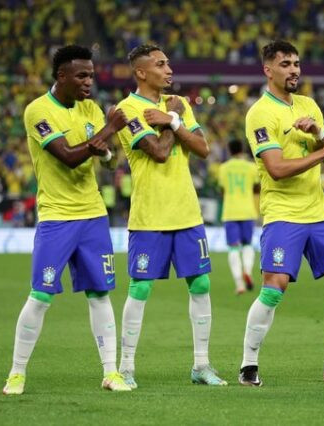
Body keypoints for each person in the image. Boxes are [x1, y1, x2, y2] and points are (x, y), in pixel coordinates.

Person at [3, 45, 130, 395]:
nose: (89, 81)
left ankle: (110, 372)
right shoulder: (38, 111)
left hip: (93, 216)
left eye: (91, 74)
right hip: (57, 217)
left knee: (99, 294)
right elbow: (68, 157)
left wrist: (106, 148)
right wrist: (109, 130)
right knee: (41, 295)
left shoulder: (89, 108)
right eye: (81, 75)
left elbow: (104, 159)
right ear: (62, 76)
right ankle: (17, 373)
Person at [239, 40, 324, 387]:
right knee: (274, 288)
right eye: (285, 64)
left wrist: (321, 135)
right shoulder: (261, 113)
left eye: (296, 63)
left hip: (318, 210)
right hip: (283, 212)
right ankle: (248, 365)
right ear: (268, 70)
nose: (294, 69)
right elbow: (276, 169)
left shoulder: (308, 105)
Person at [115, 44, 226, 388]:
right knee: (141, 287)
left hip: (186, 212)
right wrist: (172, 124)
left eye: (168, 63)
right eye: (161, 65)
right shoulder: (126, 110)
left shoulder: (177, 106)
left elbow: (203, 148)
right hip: (150, 215)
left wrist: (174, 119)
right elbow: (161, 153)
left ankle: (201, 366)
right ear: (141, 73)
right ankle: (126, 367)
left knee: (202, 283)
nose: (169, 70)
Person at [217, 139, 260, 294]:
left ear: (229, 150)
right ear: (242, 149)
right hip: (248, 211)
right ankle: (247, 271)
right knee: (248, 245)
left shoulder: (223, 168)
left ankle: (239, 284)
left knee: (233, 248)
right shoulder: (251, 167)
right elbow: (256, 187)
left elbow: (221, 190)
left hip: (230, 212)